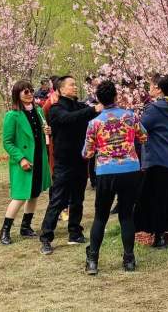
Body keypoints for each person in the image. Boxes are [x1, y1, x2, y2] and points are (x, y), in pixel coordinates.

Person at [82, 80, 147, 274]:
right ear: (116, 97)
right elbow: (144, 136)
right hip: (130, 170)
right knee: (126, 215)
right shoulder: (131, 116)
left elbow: (87, 153)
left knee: (100, 216)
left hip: (106, 172)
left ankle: (93, 260)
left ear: (99, 100)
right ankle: (129, 259)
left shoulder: (94, 123)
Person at [38, 75, 103, 255]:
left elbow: (89, 112)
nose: (75, 87)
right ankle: (46, 237)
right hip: (64, 162)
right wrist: (93, 110)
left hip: (81, 160)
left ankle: (75, 231)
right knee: (58, 200)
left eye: (76, 84)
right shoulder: (57, 109)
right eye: (71, 85)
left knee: (78, 198)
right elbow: (70, 118)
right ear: (60, 89)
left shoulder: (79, 105)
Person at [134, 74, 168, 249]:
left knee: (157, 199)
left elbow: (140, 129)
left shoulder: (154, 109)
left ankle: (159, 237)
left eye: (151, 86)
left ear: (158, 88)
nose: (149, 89)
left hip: (158, 161)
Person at [0, 80, 52, 245]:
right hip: (23, 159)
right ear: (17, 94)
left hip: (38, 157)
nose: (29, 94)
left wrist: (48, 132)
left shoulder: (38, 111)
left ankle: (26, 226)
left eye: (30, 90)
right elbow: (7, 142)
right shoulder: (12, 115)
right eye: (25, 92)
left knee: (34, 193)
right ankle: (5, 229)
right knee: (20, 196)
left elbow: (42, 135)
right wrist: (20, 158)